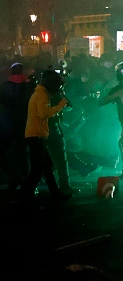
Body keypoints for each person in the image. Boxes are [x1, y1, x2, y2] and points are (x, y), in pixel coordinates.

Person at [20, 70, 72, 203]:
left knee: (45, 167)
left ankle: (54, 193)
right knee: (39, 169)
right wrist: (61, 105)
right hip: (36, 135)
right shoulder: (41, 95)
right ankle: (25, 194)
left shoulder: (39, 93)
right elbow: (44, 114)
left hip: (38, 134)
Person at [0, 62, 35, 193]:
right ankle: (26, 182)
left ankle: (14, 177)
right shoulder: (29, 86)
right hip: (26, 124)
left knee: (3, 152)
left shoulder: (5, 86)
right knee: (23, 155)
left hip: (8, 125)